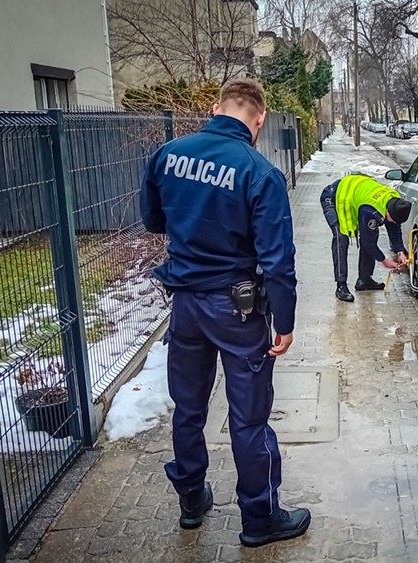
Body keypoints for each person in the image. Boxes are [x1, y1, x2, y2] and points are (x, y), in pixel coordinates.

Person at [140, 78, 309, 548]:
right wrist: (286, 321)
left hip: (186, 306)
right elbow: (277, 260)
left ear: (217, 108)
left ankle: (191, 500)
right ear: (258, 120)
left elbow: (155, 220)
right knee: (248, 418)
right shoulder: (259, 171)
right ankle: (259, 518)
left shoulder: (167, 154)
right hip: (237, 311)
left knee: (189, 408)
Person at [319, 173, 412, 302]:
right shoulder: (370, 210)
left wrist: (400, 251)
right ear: (387, 212)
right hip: (333, 197)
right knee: (341, 238)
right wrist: (384, 260)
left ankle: (364, 280)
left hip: (355, 194)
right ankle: (341, 286)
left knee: (371, 233)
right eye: (393, 219)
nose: (394, 222)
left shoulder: (394, 200)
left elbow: (394, 228)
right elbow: (368, 242)